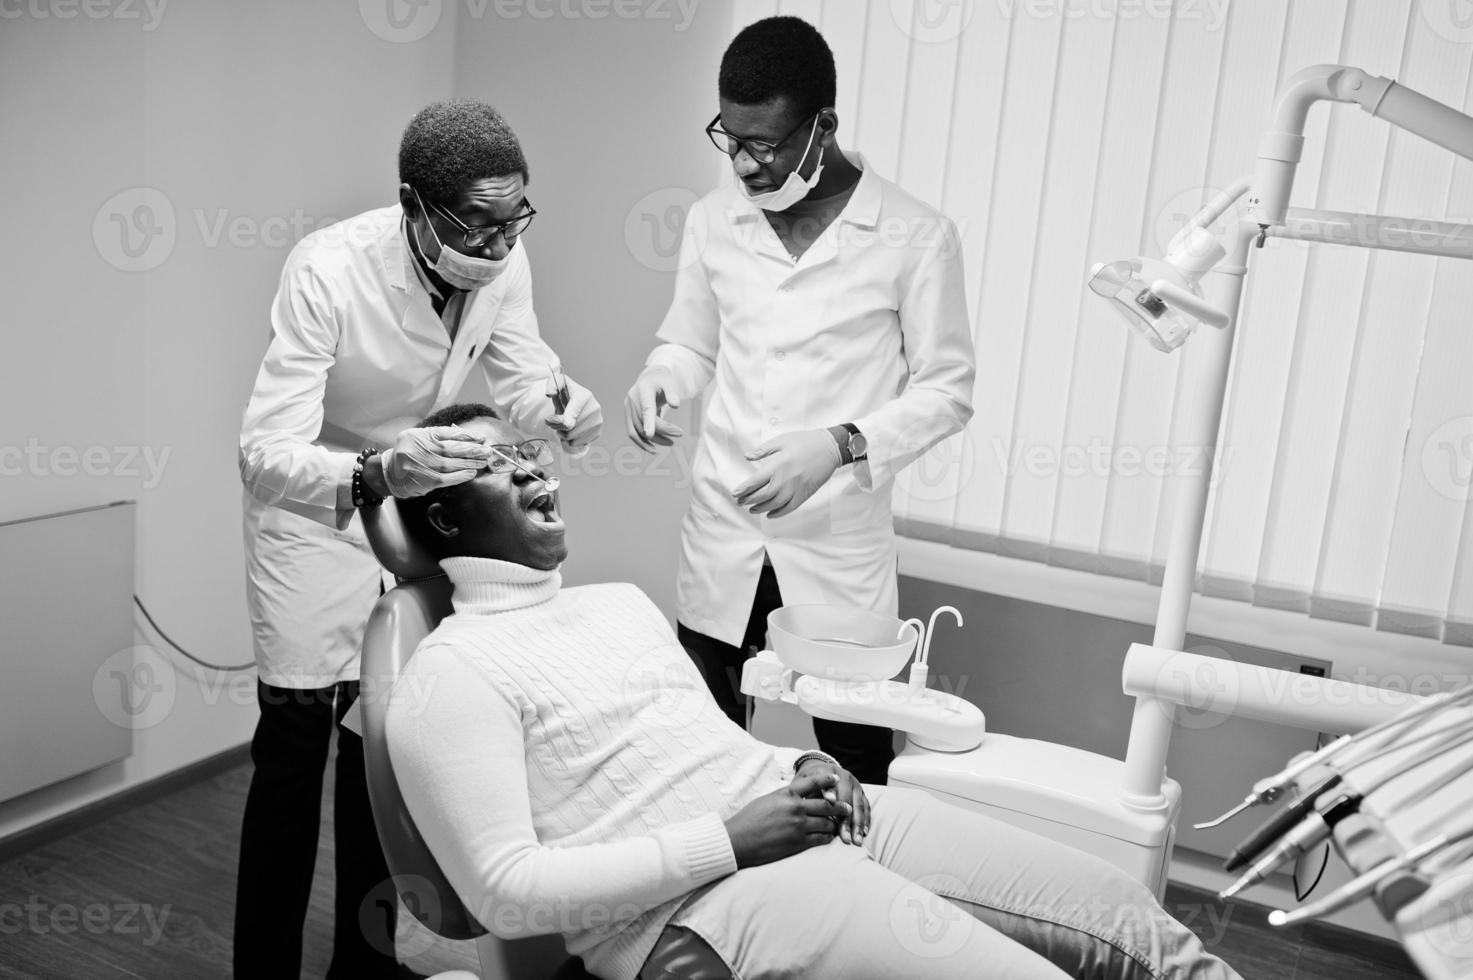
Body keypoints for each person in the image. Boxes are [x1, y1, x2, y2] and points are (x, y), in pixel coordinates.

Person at [385, 404, 1243, 980]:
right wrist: (730, 841)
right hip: (704, 901)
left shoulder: (616, 604)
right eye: (500, 466)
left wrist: (801, 759)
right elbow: (503, 892)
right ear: (447, 522)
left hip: (804, 814)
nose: (540, 474)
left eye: (531, 453)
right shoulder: (449, 674)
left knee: (1129, 925)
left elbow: (709, 747)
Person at [235, 101, 602, 979]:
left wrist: (561, 401)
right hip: (314, 515)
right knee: (292, 755)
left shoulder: (502, 260)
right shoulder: (327, 268)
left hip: (412, 512)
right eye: (475, 223)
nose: (497, 243)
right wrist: (372, 474)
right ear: (412, 203)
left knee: (384, 749)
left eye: (513, 220)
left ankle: (364, 970)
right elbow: (261, 450)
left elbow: (520, 375)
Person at [624, 16, 975, 785]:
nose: (746, 165)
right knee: (704, 751)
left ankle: (847, 899)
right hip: (725, 525)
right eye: (732, 139)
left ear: (824, 126)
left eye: (768, 144)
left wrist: (839, 444)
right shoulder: (713, 218)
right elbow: (691, 343)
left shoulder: (915, 236)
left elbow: (948, 392)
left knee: (855, 760)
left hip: (834, 543)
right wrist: (661, 376)